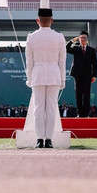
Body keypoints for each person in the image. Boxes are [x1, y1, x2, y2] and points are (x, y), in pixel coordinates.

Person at [25, 8, 67, 148]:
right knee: (51, 108)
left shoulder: (31, 37)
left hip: (38, 74)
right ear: (51, 20)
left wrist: (29, 78)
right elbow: (62, 60)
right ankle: (48, 139)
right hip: (54, 74)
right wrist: (62, 79)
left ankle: (39, 139)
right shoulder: (59, 37)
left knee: (38, 108)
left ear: (38, 20)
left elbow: (29, 60)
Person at [65, 31, 97, 117]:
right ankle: (80, 113)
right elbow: (66, 48)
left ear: (87, 40)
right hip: (77, 75)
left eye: (85, 38)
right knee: (78, 94)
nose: (83, 39)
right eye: (81, 38)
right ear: (79, 39)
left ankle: (86, 114)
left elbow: (94, 63)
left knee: (86, 94)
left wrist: (94, 76)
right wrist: (72, 40)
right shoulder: (76, 48)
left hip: (87, 76)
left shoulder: (91, 50)